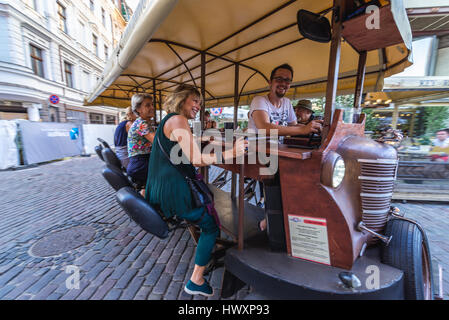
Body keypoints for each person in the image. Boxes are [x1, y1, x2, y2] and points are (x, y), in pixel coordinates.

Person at [146, 84, 246, 297]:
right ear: (182, 99)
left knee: (207, 211)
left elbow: (181, 144)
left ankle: (204, 252)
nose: (198, 107)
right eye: (194, 101)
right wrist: (233, 151)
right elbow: (197, 160)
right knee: (211, 226)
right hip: (174, 192)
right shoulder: (179, 120)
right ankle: (196, 279)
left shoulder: (169, 120)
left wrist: (200, 140)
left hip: (160, 188)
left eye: (199, 103)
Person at [248, 63, 323, 231]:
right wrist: (303, 128)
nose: (283, 83)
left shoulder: (287, 103)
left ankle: (286, 219)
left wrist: (312, 127)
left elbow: (295, 128)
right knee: (278, 183)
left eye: (287, 80)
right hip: (257, 152)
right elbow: (263, 127)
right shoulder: (259, 100)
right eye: (279, 79)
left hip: (278, 151)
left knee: (299, 177)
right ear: (270, 82)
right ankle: (270, 222)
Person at [127, 93, 156, 191]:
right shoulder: (141, 123)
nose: (152, 107)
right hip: (140, 165)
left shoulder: (144, 122)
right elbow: (158, 141)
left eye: (152, 104)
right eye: (148, 105)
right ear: (138, 109)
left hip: (140, 162)